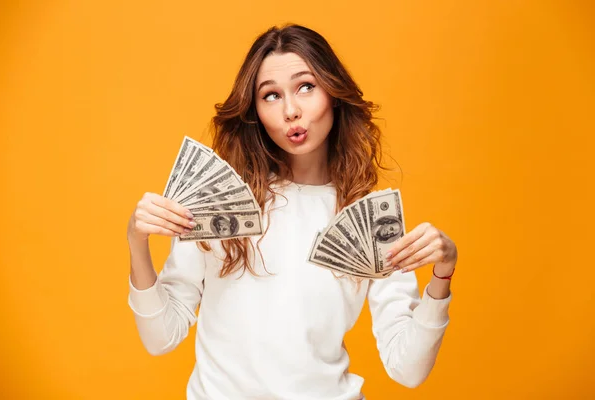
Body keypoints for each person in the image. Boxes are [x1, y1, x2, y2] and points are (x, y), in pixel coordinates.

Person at [127, 23, 459, 400]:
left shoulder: (369, 218)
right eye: (270, 95)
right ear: (255, 111)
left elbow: (408, 369)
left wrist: (442, 276)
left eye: (306, 86)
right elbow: (160, 338)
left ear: (332, 94)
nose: (290, 111)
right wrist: (136, 242)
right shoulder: (218, 202)